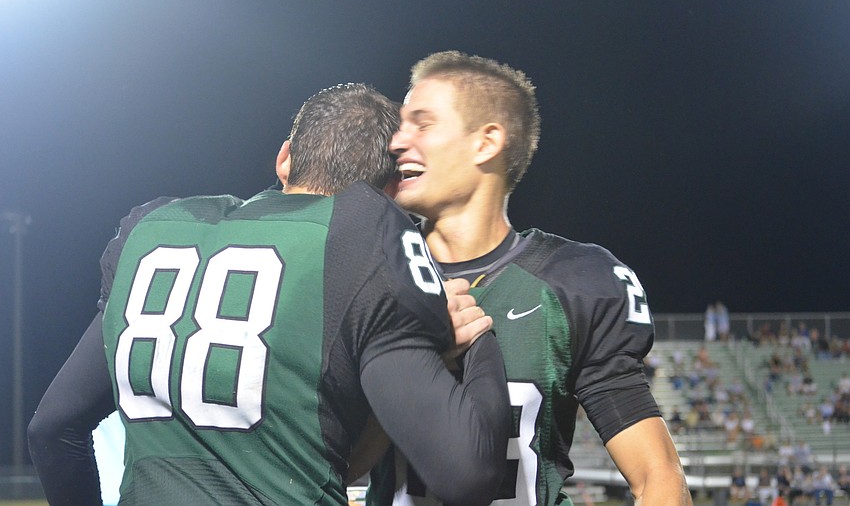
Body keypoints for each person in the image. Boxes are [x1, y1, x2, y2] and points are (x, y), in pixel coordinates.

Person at [27, 83, 512, 505]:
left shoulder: (152, 227)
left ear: (285, 158)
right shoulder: (366, 233)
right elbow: (466, 476)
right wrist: (477, 340)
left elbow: (52, 429)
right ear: (389, 191)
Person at [367, 51, 691, 504]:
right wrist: (414, 362)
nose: (397, 142)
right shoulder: (367, 272)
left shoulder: (572, 282)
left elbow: (657, 476)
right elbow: (335, 464)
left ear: (487, 142)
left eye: (422, 123)